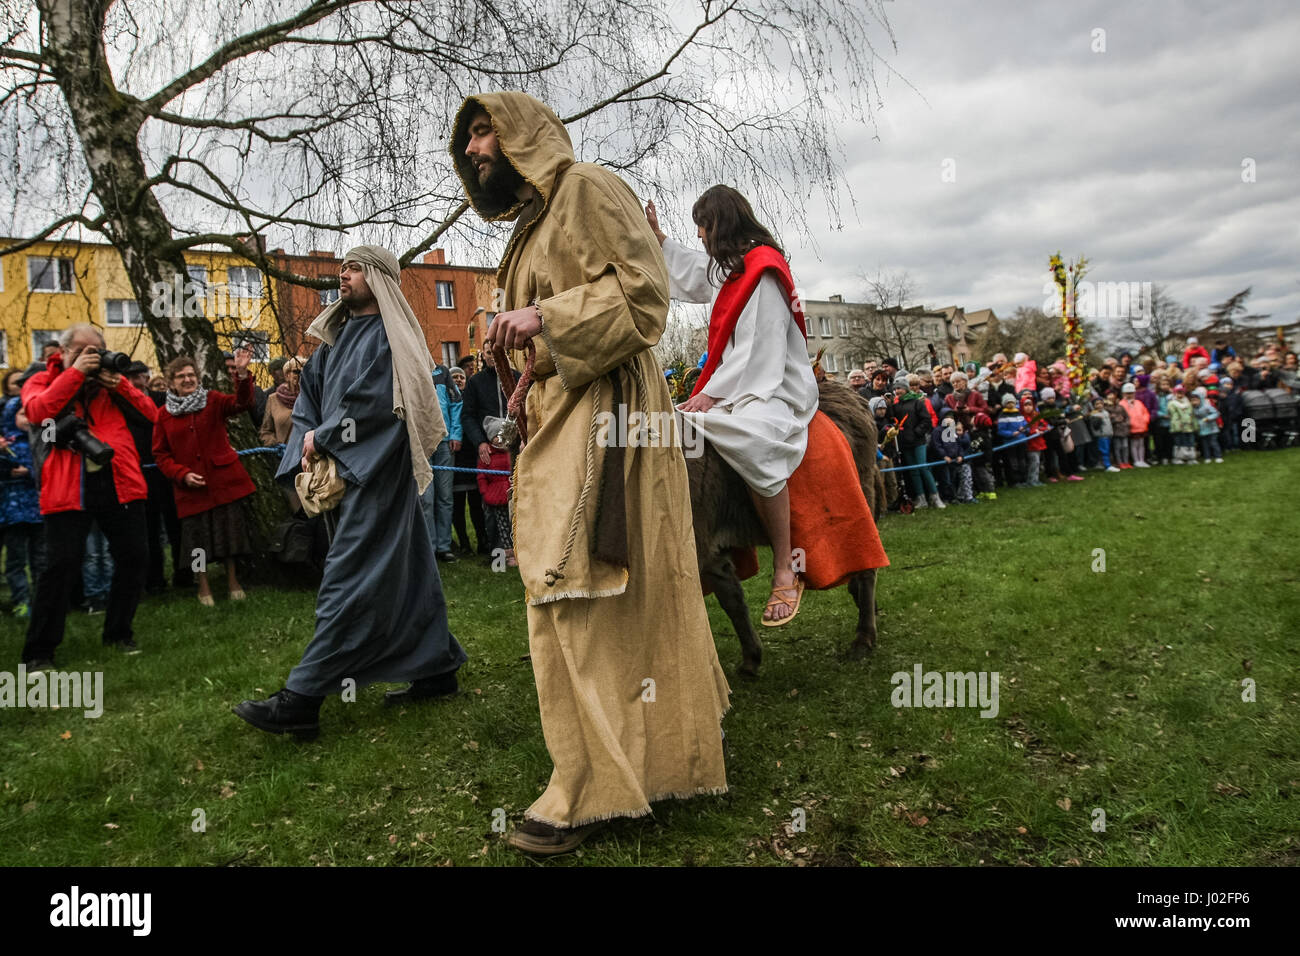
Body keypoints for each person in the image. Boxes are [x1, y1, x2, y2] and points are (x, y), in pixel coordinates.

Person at [453, 91, 728, 854]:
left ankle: (588, 787)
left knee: (572, 587)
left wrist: (545, 318)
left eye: (485, 131)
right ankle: (650, 754)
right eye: (469, 138)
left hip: (610, 414)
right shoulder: (528, 227)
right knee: (579, 591)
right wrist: (520, 346)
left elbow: (646, 298)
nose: (475, 150)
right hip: (558, 412)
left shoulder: (590, 188)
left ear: (523, 133)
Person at [233, 246, 467, 739]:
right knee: (410, 566)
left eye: (354, 268)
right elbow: (307, 402)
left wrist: (331, 435)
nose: (343, 275)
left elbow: (381, 403)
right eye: (341, 268)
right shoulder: (333, 343)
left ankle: (301, 697)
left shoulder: (390, 338)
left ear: (379, 279)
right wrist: (306, 443)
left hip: (375, 475)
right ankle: (437, 666)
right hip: (344, 474)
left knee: (345, 580)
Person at [651, 185, 818, 622]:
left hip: (775, 385)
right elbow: (696, 271)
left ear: (718, 223)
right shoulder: (733, 269)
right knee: (676, 423)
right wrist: (662, 242)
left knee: (756, 440)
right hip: (736, 383)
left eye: (702, 227)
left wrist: (712, 393)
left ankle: (786, 566)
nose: (701, 237)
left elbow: (761, 347)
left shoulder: (763, 268)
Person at [19, 324, 157, 666]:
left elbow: (152, 415)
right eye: (79, 351)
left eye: (94, 351)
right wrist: (75, 374)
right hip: (68, 487)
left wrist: (120, 385)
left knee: (135, 557)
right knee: (60, 565)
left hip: (120, 480)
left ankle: (118, 632)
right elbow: (37, 412)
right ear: (63, 353)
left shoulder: (112, 385)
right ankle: (39, 651)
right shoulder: (42, 378)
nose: (88, 357)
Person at [152, 349, 258, 605]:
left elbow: (242, 403)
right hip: (191, 491)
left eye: (191, 375)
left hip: (222, 482)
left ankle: (233, 581)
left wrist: (242, 374)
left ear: (198, 377)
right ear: (171, 382)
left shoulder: (213, 400)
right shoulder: (163, 415)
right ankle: (204, 586)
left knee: (229, 535)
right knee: (197, 543)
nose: (187, 380)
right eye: (180, 377)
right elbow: (160, 454)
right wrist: (182, 474)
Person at [1, 397, 43, 617]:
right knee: (16, 559)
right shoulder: (6, 444)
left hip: (38, 509)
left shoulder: (41, 440)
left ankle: (42, 600)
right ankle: (21, 600)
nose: (27, 420)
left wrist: (31, 472)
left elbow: (49, 468)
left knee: (40, 558)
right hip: (13, 511)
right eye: (21, 415)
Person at [418, 361, 462, 562]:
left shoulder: (443, 372)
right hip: (422, 443)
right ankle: (429, 545)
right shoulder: (411, 369)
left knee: (444, 496)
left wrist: (456, 434)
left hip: (445, 442)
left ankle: (444, 546)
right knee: (426, 498)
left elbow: (456, 403)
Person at [259, 356, 302, 446]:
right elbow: (265, 431)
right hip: (284, 455)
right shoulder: (272, 398)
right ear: (287, 374)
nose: (300, 375)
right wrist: (274, 444)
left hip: (310, 455)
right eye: (296, 372)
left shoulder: (314, 398)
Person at [1119, 382, 1151, 468]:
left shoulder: (1138, 402)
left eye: (1131, 393)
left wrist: (1145, 421)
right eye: (1127, 393)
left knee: (1141, 444)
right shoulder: (1122, 404)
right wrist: (1130, 423)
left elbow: (1145, 413)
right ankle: (1136, 460)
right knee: (1134, 445)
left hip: (1142, 427)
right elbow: (1123, 416)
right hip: (1132, 428)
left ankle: (1142, 459)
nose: (1129, 395)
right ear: (1123, 394)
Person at [1167, 384, 1196, 464]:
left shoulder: (1188, 403)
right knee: (1179, 442)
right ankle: (1178, 458)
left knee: (1189, 442)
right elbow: (1174, 414)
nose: (1180, 394)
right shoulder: (1172, 403)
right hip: (1178, 426)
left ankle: (1190, 457)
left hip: (1188, 426)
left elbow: (1191, 413)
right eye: (1178, 392)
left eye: (1182, 392)